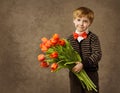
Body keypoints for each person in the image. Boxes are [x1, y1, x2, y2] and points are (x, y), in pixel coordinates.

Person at [67, 7, 102, 93]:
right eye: (78, 20)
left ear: (90, 23)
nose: (81, 24)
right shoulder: (69, 39)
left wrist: (83, 64)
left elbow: (97, 54)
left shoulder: (93, 38)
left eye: (85, 21)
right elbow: (67, 56)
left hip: (90, 74)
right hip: (75, 74)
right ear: (74, 20)